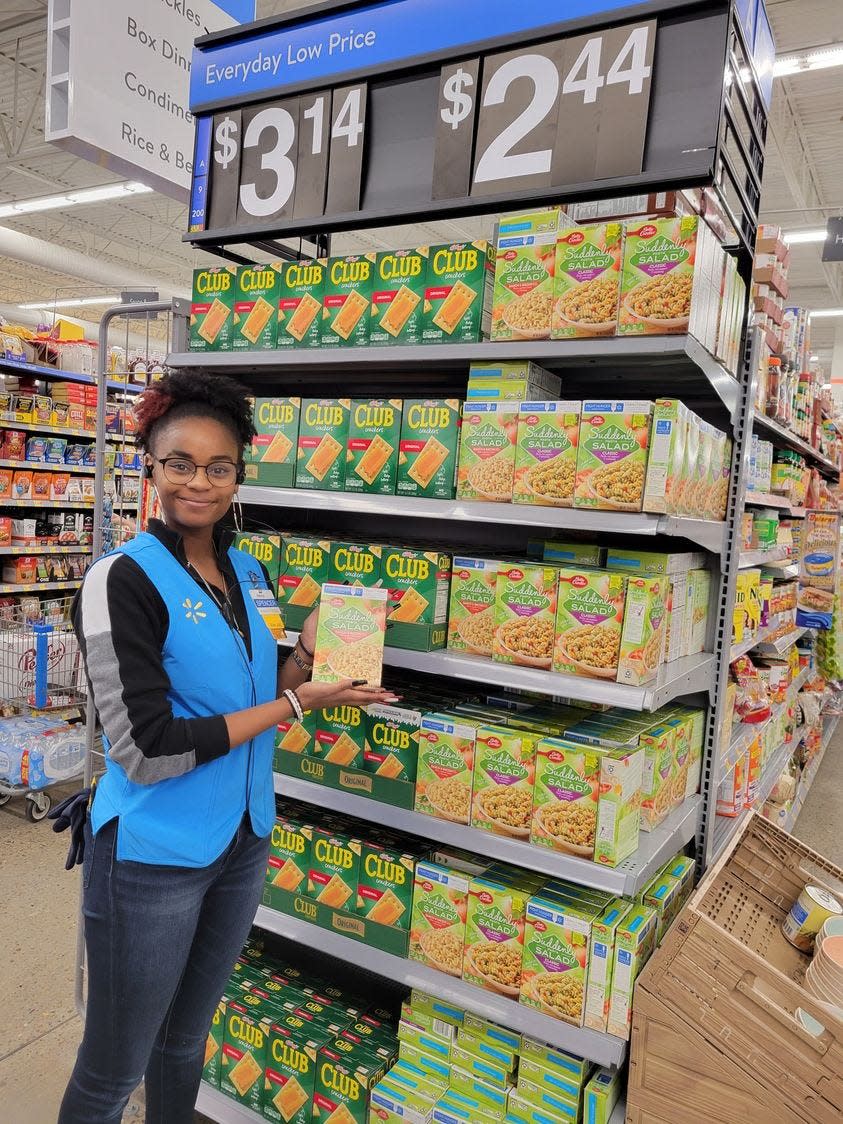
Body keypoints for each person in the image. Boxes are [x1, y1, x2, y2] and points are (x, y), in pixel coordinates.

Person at [58, 370, 396, 1124]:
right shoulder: (120, 580)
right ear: (150, 464)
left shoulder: (249, 570)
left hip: (241, 839)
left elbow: (258, 693)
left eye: (218, 467)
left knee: (184, 1042)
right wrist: (290, 702)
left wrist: (309, 661)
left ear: (240, 474)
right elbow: (145, 748)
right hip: (151, 857)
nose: (198, 483)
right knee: (112, 1069)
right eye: (180, 462)